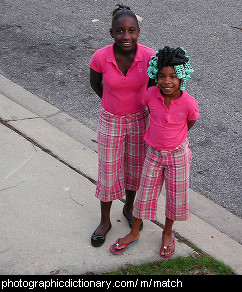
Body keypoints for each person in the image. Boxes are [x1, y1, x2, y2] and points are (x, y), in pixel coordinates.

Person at [110, 46, 200, 257]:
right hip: (153, 154)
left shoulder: (189, 103)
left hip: (178, 156)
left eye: (173, 76)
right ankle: (134, 232)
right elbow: (148, 109)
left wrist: (175, 137)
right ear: (155, 76)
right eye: (161, 76)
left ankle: (167, 232)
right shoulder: (151, 94)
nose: (166, 81)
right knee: (144, 194)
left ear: (182, 77)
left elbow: (191, 121)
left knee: (175, 196)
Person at [89, 4, 155, 247]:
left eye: (131, 31)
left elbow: (154, 89)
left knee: (135, 169)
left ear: (138, 32)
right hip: (111, 120)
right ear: (111, 33)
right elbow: (96, 85)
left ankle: (129, 207)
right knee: (108, 171)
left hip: (139, 120)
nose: (125, 37)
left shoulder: (150, 57)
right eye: (120, 31)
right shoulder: (100, 57)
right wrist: (113, 104)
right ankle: (105, 220)